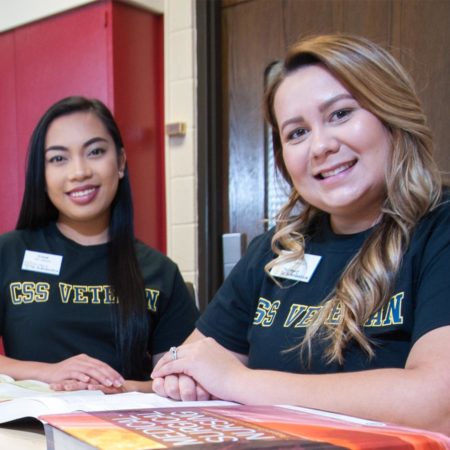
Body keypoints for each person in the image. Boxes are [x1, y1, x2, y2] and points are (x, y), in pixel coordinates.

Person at [151, 34, 450, 433]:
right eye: (297, 133)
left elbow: (436, 403)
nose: (321, 146)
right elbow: (190, 361)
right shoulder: (275, 250)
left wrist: (242, 382)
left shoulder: (439, 228)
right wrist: (182, 377)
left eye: (341, 114)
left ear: (391, 113)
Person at [0, 96, 199, 393]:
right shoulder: (9, 253)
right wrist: (50, 374)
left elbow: (181, 384)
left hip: (124, 434)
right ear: (41, 176)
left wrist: (115, 389)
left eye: (94, 152)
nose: (79, 171)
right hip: (28, 435)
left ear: (120, 162)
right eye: (58, 158)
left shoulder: (159, 272)